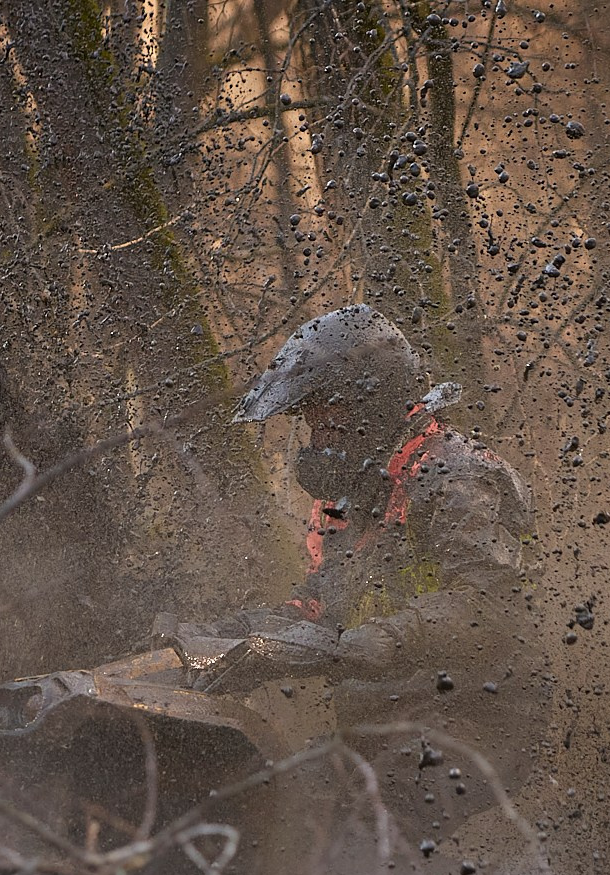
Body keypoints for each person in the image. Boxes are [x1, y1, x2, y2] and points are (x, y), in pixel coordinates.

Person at [161, 305, 541, 841]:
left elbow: (489, 608)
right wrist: (225, 636)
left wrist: (367, 642)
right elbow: (316, 604)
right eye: (310, 422)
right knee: (269, 804)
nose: (317, 437)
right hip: (383, 722)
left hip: (479, 717)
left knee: (367, 820)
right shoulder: (349, 501)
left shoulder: (457, 476)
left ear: (374, 402)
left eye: (328, 418)